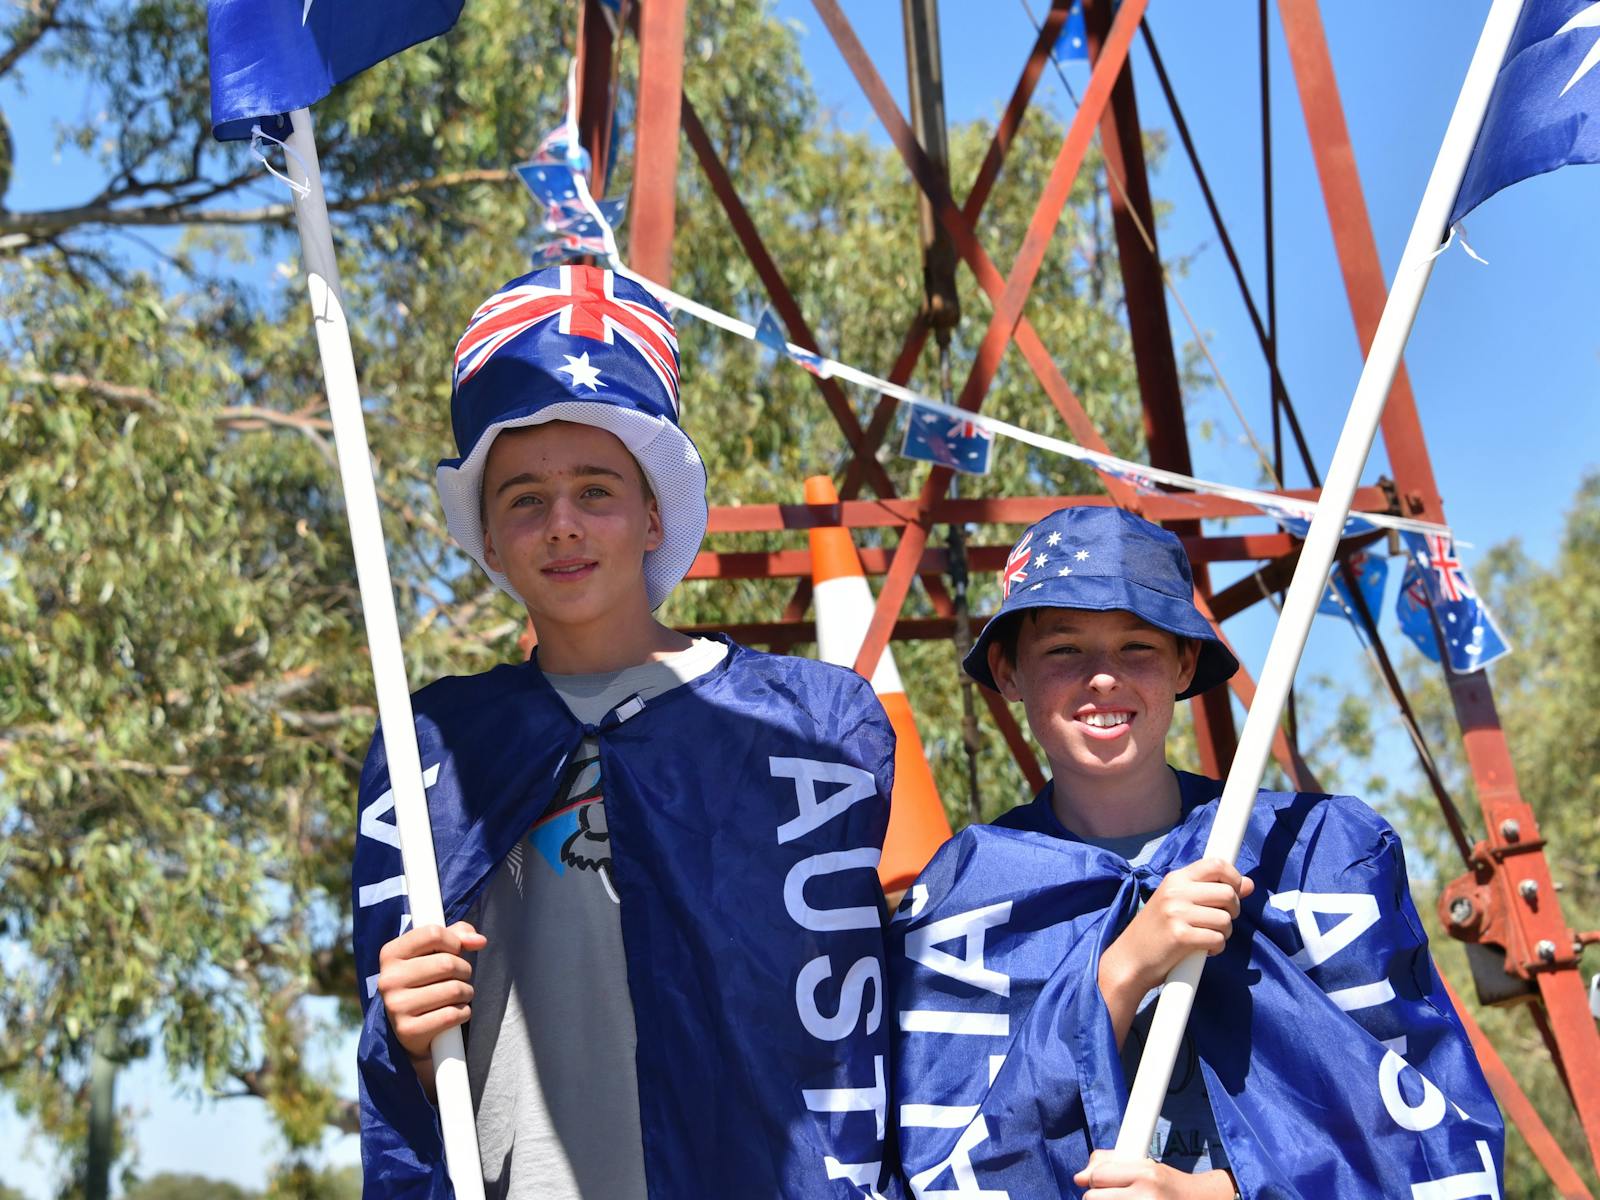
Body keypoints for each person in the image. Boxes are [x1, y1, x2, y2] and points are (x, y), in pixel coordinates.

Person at [352, 264, 901, 1199]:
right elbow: (410, 1066)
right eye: (523, 498)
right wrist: (396, 1025)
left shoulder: (811, 725)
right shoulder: (432, 744)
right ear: (488, 538)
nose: (561, 525)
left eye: (596, 491)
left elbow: (854, 1025)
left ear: (654, 515)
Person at [888, 505, 1503, 1199]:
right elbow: (946, 1159)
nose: (1102, 678)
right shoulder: (971, 891)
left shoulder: (1310, 856)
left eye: (1138, 648)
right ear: (1008, 672)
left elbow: (1424, 1137)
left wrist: (1206, 1194)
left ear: (1184, 663)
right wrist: (1122, 969)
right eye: (1064, 650)